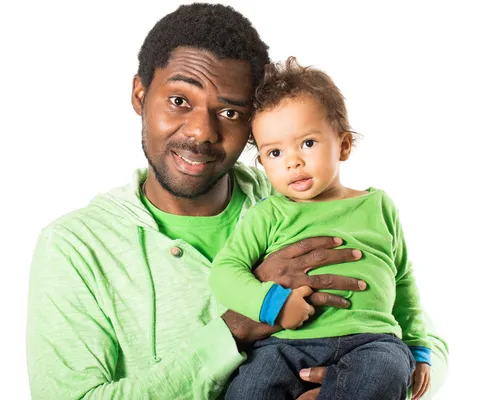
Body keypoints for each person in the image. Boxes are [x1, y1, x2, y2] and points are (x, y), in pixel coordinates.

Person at [26, 3, 448, 400]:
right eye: (178, 101)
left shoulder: (298, 202)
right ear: (139, 94)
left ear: (253, 127)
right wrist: (236, 327)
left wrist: (376, 385)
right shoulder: (75, 246)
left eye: (229, 113)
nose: (201, 132)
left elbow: (420, 336)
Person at [209, 57, 431, 400]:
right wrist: (274, 305)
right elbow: (225, 272)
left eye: (307, 143)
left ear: (343, 145)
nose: (292, 161)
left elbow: (402, 279)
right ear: (262, 162)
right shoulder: (266, 215)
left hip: (371, 340)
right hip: (284, 345)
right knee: (247, 390)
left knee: (387, 372)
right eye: (275, 152)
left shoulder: (378, 206)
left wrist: (418, 346)